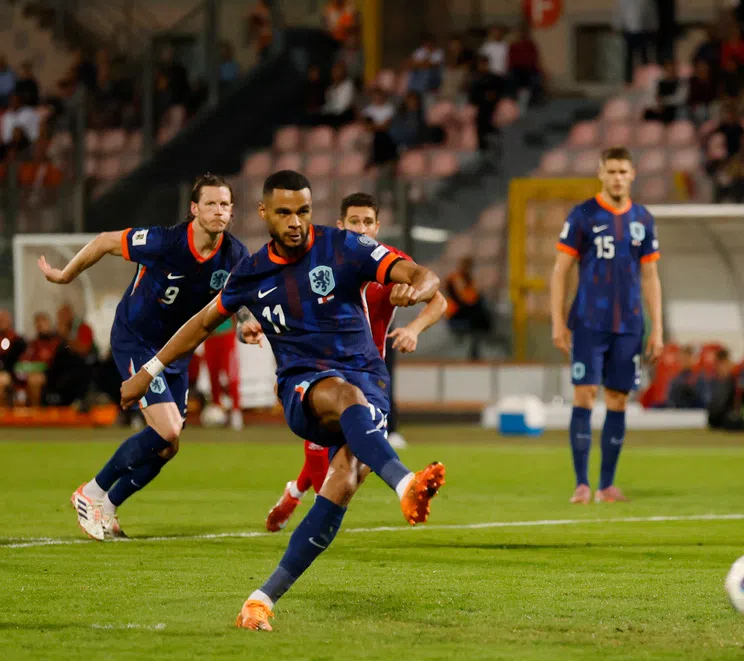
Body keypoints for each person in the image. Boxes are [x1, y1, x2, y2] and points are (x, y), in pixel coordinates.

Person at [119, 171, 446, 631]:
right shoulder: (250, 271)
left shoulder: (344, 247)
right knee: (342, 395)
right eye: (285, 212)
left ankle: (260, 600)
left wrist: (421, 288)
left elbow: (421, 275)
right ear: (264, 214)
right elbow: (200, 324)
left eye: (303, 211)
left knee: (344, 480)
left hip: (370, 384)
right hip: (304, 386)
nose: (295, 222)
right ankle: (406, 483)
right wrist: (149, 371)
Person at [38, 174, 255, 541]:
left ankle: (108, 507)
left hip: (177, 351)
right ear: (194, 209)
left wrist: (246, 324)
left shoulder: (235, 255)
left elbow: (242, 297)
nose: (219, 211)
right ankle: (91, 491)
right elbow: (107, 241)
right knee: (166, 428)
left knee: (169, 446)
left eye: (225, 204)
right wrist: (64, 276)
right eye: (211, 204)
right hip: (136, 339)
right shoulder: (164, 242)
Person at [265, 191, 448, 533]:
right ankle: (309, 524)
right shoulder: (324, 259)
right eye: (354, 222)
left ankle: (296, 495)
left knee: (345, 456)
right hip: (321, 372)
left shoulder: (390, 263)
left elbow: (437, 298)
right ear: (341, 225)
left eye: (367, 222)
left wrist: (413, 326)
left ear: (378, 226)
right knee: (331, 466)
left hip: (367, 376)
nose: (361, 228)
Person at [550, 146, 664, 504]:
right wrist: (557, 321)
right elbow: (560, 271)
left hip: (629, 324)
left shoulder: (643, 219)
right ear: (600, 173)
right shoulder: (583, 215)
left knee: (618, 399)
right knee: (584, 393)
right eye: (611, 171)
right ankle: (581, 484)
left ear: (632, 175)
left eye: (622, 171)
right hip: (588, 321)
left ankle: (607, 485)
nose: (617, 177)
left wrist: (657, 327)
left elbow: (650, 276)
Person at [444, 256, 493, 360]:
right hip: (456, 311)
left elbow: (474, 296)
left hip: (468, 310)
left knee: (480, 307)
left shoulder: (469, 279)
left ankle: (479, 342)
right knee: (479, 310)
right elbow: (460, 298)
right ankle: (484, 334)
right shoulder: (455, 278)